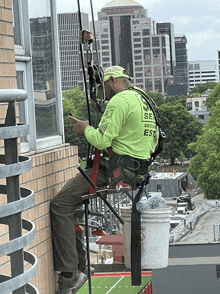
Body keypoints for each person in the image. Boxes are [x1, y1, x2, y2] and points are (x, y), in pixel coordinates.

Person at [50, 65, 159, 294]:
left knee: (61, 205)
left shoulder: (120, 101)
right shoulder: (145, 100)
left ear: (112, 80)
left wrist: (85, 128)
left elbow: (101, 140)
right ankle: (79, 267)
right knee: (73, 207)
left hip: (114, 170)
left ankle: (70, 274)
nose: (104, 92)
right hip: (136, 170)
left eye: (104, 87)